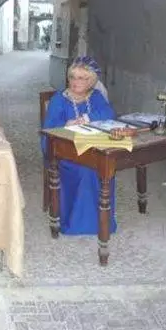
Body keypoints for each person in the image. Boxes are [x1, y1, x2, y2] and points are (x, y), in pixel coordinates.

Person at [41, 56, 117, 235]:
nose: (76, 81)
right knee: (85, 170)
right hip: (64, 152)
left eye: (82, 78)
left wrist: (87, 118)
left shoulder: (95, 96)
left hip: (92, 148)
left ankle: (102, 220)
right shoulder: (59, 99)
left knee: (106, 167)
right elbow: (48, 130)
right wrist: (66, 124)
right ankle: (76, 223)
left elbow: (109, 113)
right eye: (73, 77)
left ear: (91, 81)